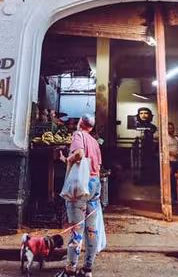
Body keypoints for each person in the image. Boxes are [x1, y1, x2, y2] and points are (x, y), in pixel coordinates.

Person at [57, 113, 103, 277]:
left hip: (81, 187)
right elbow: (95, 166)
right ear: (91, 127)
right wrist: (66, 159)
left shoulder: (78, 134)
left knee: (77, 229)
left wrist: (68, 159)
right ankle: (87, 269)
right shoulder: (95, 142)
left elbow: (79, 155)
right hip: (95, 185)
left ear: (80, 123)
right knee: (91, 229)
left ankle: (70, 270)